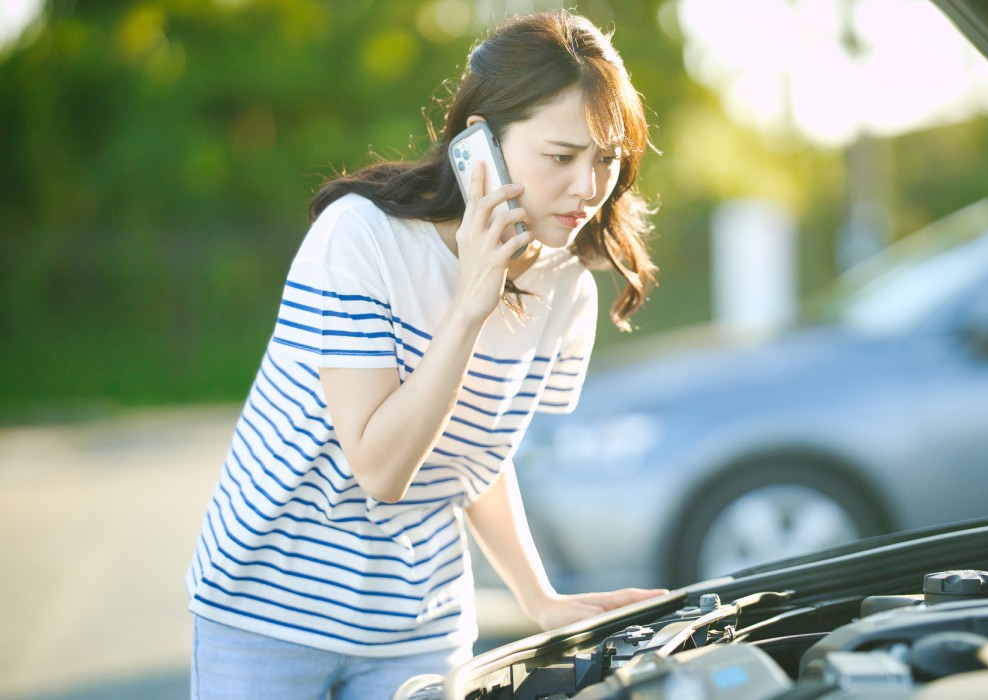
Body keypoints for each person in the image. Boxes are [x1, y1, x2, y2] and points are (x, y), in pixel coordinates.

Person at [186, 9, 666, 698]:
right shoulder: (361, 238)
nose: (589, 189)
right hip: (268, 608)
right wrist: (472, 302)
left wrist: (539, 596)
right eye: (561, 157)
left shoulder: (568, 287)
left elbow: (475, 454)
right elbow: (381, 464)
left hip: (418, 623)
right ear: (480, 147)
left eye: (607, 161)